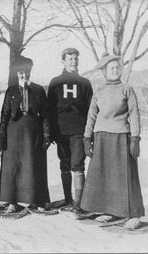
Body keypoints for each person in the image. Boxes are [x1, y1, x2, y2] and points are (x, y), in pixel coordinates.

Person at [80, 53, 145, 229]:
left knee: (126, 176)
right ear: (104, 71)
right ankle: (111, 210)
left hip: (122, 137)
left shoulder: (127, 89)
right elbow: (91, 116)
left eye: (118, 67)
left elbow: (135, 114)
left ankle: (134, 214)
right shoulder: (99, 91)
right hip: (101, 137)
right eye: (112, 68)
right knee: (105, 176)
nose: (115, 70)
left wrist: (135, 138)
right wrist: (87, 139)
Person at [0, 56, 51, 213]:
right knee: (13, 166)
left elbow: (46, 115)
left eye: (27, 72)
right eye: (21, 73)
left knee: (35, 165)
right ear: (16, 73)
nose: (24, 75)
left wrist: (47, 135)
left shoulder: (39, 90)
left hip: (34, 131)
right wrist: (1, 137)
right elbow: (5, 114)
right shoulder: (11, 90)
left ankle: (37, 200)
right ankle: (12, 202)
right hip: (14, 132)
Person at [47, 48, 93, 210]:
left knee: (78, 164)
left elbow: (91, 109)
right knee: (64, 164)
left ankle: (80, 203)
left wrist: (89, 133)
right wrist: (51, 131)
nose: (73, 62)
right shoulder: (55, 82)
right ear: (63, 61)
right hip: (61, 131)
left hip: (79, 130)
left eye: (75, 59)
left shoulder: (84, 83)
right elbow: (49, 108)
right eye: (70, 59)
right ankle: (68, 199)